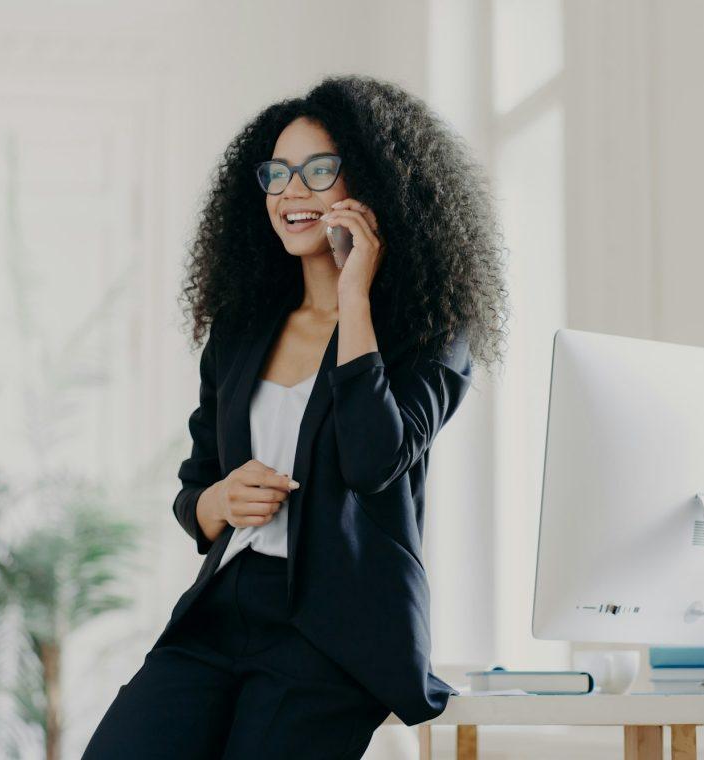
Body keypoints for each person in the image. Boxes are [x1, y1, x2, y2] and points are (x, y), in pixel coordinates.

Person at [81, 74, 508, 759]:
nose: (290, 191)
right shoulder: (242, 331)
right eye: (277, 173)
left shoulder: (430, 337)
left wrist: (355, 296)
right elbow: (195, 492)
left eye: (317, 170)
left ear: (370, 184)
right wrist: (220, 499)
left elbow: (374, 459)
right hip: (221, 612)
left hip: (331, 631)